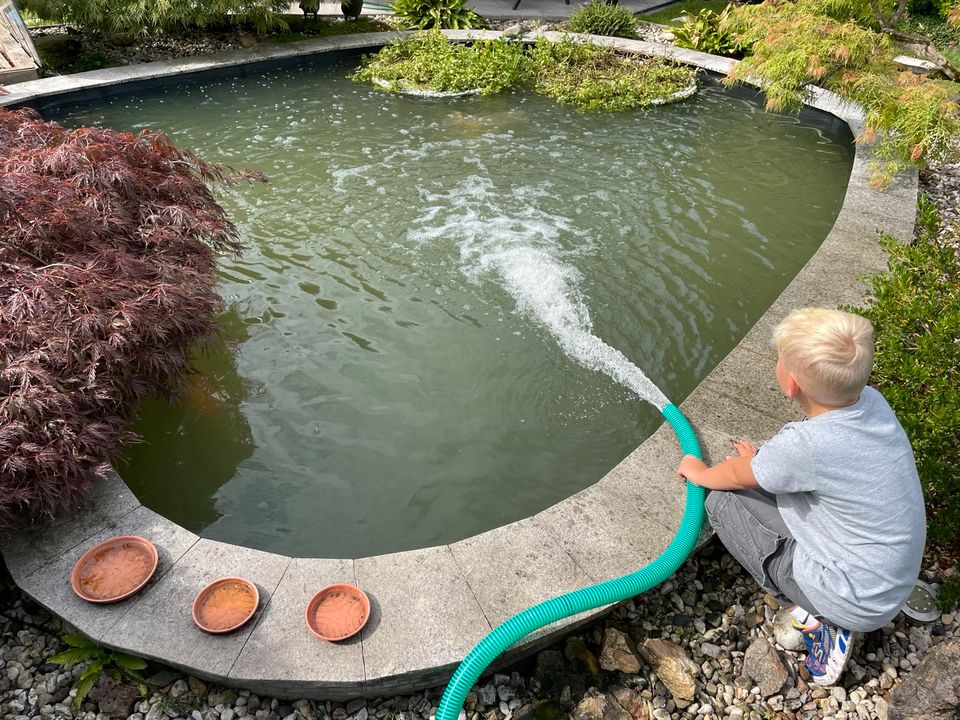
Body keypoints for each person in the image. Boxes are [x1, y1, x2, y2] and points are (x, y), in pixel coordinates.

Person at [676, 307, 926, 687]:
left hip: (851, 599)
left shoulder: (804, 445)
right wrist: (764, 464)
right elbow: (824, 464)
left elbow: (729, 476)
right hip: (891, 580)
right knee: (760, 482)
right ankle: (833, 606)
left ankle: (827, 619)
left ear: (791, 384)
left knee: (721, 501)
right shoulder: (872, 403)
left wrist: (698, 471)